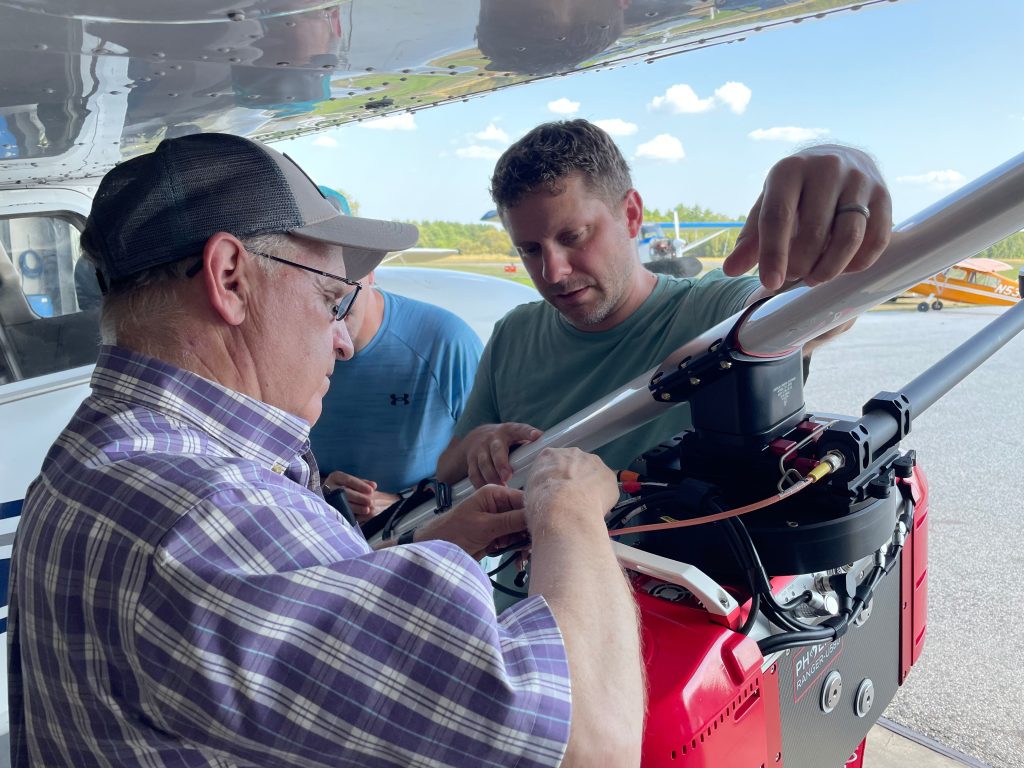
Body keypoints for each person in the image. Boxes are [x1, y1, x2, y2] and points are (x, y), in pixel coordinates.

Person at [7, 132, 644, 767]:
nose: (342, 339)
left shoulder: (95, 451)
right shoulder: (218, 513)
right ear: (229, 278)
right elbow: (588, 742)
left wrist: (425, 551)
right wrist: (568, 506)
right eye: (329, 299)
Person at [436, 118, 892, 487]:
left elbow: (812, 307)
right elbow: (445, 472)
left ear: (631, 215)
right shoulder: (514, 334)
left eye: (572, 236)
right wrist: (481, 443)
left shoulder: (709, 312)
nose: (552, 271)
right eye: (530, 250)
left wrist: (843, 166)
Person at [311, 268, 483, 522]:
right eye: (324, 300)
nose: (340, 345)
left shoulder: (447, 342)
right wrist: (319, 488)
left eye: (344, 302)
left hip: (425, 531)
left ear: (371, 272)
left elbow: (487, 468)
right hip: (317, 526)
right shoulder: (284, 344)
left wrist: (404, 506)